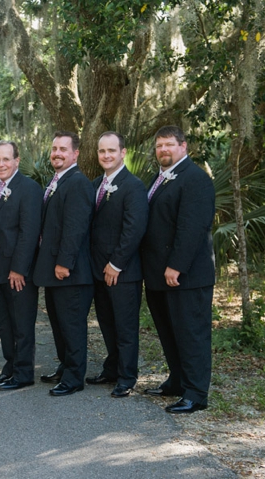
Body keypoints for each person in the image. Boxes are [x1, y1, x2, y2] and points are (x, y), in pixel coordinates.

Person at [141, 125, 216, 414]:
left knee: (191, 334)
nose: (163, 150)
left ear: (183, 147)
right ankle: (177, 381)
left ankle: (196, 394)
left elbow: (192, 227)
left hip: (186, 275)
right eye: (159, 145)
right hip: (159, 275)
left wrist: (176, 266)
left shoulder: (195, 179)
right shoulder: (158, 179)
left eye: (169, 144)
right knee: (169, 332)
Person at [33, 131, 94, 397]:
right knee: (58, 322)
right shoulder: (56, 180)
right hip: (53, 270)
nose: (57, 153)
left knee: (71, 324)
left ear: (75, 153)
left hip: (71, 271)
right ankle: (64, 365)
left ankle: (74, 377)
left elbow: (75, 227)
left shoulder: (78, 183)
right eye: (54, 148)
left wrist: (64, 263)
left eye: (63, 149)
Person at [87, 132, 148, 398]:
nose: (106, 155)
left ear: (123, 152)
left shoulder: (133, 186)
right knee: (107, 324)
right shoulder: (94, 185)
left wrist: (116, 264)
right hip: (98, 271)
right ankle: (111, 369)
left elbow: (134, 229)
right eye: (102, 151)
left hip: (123, 272)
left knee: (125, 327)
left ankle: (127, 376)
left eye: (112, 150)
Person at [0, 141, 42, 390]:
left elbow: (29, 232)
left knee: (22, 324)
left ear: (17, 161)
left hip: (18, 272)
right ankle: (10, 366)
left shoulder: (29, 188)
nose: (1, 164)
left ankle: (24, 372)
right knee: (3, 324)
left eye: (6, 159)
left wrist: (18, 268)